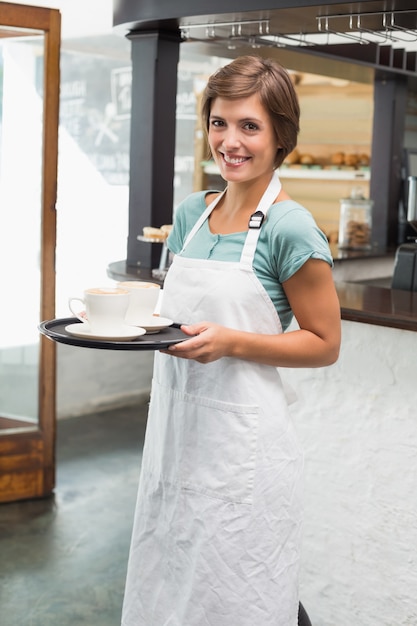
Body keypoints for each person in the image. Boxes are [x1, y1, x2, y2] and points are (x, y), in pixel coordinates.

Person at [121, 55, 341, 626]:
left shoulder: (292, 228)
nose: (231, 141)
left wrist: (231, 342)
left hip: (244, 449)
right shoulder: (192, 213)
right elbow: (175, 313)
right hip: (175, 435)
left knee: (238, 595)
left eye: (250, 126)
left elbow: (324, 342)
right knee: (169, 581)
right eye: (220, 123)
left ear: (279, 135)